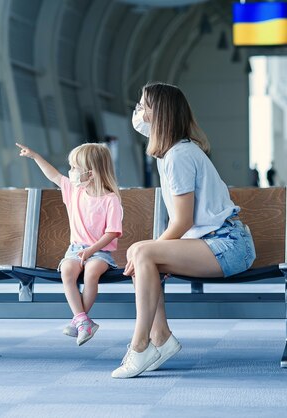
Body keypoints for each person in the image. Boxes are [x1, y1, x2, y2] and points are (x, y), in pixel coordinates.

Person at [111, 82, 256, 379]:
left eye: (143, 106)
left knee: (141, 252)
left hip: (227, 244)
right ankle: (160, 338)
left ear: (159, 114)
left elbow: (182, 222)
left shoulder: (179, 156)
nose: (137, 112)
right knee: (142, 254)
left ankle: (141, 346)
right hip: (215, 242)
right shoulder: (173, 153)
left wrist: (150, 251)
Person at [17, 142, 123, 346]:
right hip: (75, 249)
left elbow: (112, 232)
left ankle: (79, 321)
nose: (70, 172)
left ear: (90, 174)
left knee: (92, 273)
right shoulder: (74, 191)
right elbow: (54, 175)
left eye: (75, 168)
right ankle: (83, 320)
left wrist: (91, 250)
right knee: (67, 271)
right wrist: (35, 156)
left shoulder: (111, 200)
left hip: (100, 252)